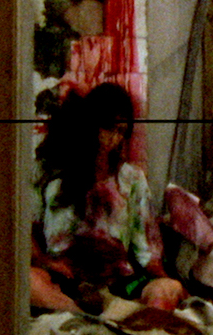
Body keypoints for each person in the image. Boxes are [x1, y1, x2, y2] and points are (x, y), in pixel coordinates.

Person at [30, 82, 186, 314]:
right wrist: (45, 262)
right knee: (29, 281)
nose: (113, 138)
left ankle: (117, 315)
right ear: (90, 123)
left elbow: (147, 253)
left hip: (118, 284)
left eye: (121, 131)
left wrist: (170, 284)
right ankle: (80, 314)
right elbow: (26, 233)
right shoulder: (49, 172)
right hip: (64, 281)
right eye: (107, 127)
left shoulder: (132, 179)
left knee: (168, 289)